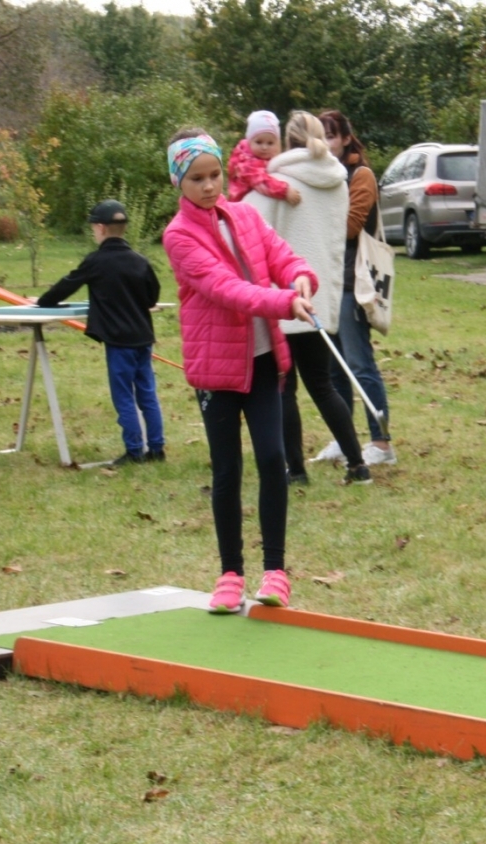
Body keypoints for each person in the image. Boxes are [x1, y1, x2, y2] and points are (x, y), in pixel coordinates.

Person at [161, 129, 317, 613]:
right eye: (197, 179)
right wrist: (285, 302)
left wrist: (301, 278)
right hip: (217, 371)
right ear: (178, 182)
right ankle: (230, 574)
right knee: (227, 469)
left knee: (273, 458)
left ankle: (275, 572)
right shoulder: (179, 236)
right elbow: (227, 289)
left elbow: (281, 255)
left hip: (265, 360)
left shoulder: (246, 214)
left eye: (214, 175)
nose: (209, 186)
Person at [246, 111, 371, 486]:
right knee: (323, 385)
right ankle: (357, 464)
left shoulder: (275, 182)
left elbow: (247, 226)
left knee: (285, 387)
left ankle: (296, 470)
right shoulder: (337, 181)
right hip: (321, 298)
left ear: (288, 140)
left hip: (283, 299)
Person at [35, 199, 165, 466]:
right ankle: (157, 448)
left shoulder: (97, 261)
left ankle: (134, 451)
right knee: (147, 394)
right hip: (143, 338)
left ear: (101, 228)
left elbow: (67, 285)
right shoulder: (140, 261)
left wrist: (42, 302)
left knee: (124, 397)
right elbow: (153, 296)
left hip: (119, 342)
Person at [313, 109, 396, 467]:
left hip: (352, 282)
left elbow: (349, 228)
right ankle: (342, 437)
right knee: (333, 369)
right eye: (321, 137)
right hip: (327, 283)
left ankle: (381, 443)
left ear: (346, 138)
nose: (326, 144)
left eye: (331, 136)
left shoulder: (359, 175)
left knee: (360, 364)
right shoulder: (319, 175)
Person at [227, 110, 303, 207]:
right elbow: (260, 181)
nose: (264, 147)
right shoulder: (245, 162)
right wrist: (285, 190)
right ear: (249, 141)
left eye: (270, 143)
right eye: (259, 142)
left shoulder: (262, 158)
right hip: (239, 208)